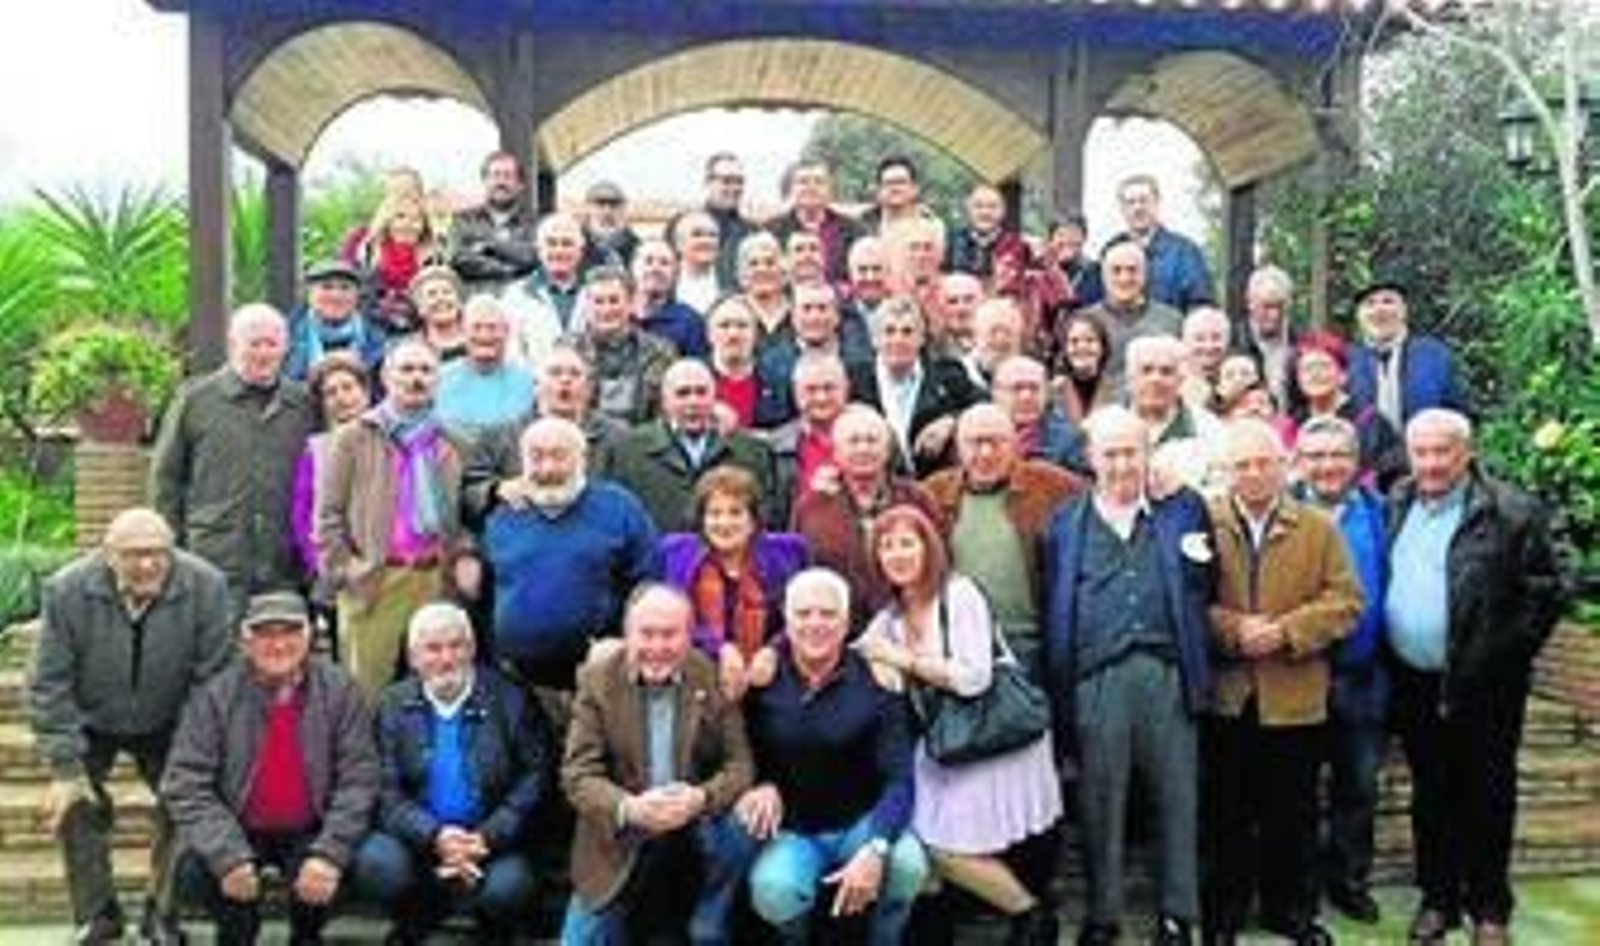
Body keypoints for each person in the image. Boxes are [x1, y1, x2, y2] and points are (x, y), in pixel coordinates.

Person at [1385, 409, 1562, 946]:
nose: (1432, 463)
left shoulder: (1511, 510)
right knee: (1431, 794)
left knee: (1487, 794)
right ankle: (1438, 900)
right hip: (1414, 680)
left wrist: (1501, 655)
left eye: (1443, 451)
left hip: (1485, 684)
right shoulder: (1398, 500)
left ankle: (1489, 908)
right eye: (1422, 452)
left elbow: (1546, 590)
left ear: (1466, 452)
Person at [1042, 407, 1215, 946]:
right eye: (1110, 453)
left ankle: (1178, 914)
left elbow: (1207, 584)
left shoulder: (1183, 509)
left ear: (1148, 455)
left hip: (1167, 673)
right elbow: (1056, 600)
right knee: (1100, 799)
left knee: (1177, 796)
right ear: (1091, 459)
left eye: (1131, 451)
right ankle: (1103, 915)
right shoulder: (1065, 522)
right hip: (1097, 676)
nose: (1122, 463)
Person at [856, 506, 1064, 944]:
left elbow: (974, 679)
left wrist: (904, 660)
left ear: (928, 547)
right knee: (916, 833)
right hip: (948, 740)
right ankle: (935, 932)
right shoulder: (890, 617)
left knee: (942, 847)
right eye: (886, 546)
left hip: (995, 734)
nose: (897, 554)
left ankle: (1031, 916)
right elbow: (858, 647)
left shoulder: (958, 594)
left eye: (907, 543)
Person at [29, 508, 233, 945]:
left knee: (186, 798)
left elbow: (212, 680)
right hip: (92, 719)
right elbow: (49, 683)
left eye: (158, 554)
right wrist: (67, 770)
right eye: (134, 555)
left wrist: (191, 758)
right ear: (108, 555)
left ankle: (162, 913)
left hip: (171, 717)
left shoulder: (207, 586)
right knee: (75, 805)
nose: (147, 565)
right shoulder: (66, 591)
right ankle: (98, 914)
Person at [1203, 418, 1362, 946]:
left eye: (1263, 462)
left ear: (1283, 465)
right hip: (1227, 698)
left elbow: (1346, 602)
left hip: (1294, 699)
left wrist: (1287, 632)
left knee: (1291, 815)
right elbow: (1184, 599)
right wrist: (1231, 629)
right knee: (1226, 813)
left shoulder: (1318, 528)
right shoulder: (1204, 523)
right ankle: (1224, 912)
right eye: (1241, 464)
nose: (1252, 473)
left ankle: (1291, 911)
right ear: (1225, 471)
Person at [162, 592, 379, 946]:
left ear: (309, 637)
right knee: (193, 872)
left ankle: (308, 934)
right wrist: (227, 855)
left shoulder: (340, 690)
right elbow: (185, 782)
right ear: (245, 641)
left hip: (312, 826)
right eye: (265, 634)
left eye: (290, 632)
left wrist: (329, 853)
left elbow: (360, 778)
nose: (278, 644)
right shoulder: (216, 695)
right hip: (239, 826)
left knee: (353, 864)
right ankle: (236, 932)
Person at [739, 569, 929, 943]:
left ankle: (884, 938)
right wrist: (757, 783)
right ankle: (795, 937)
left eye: (828, 614)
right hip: (794, 829)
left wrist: (876, 847)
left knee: (907, 864)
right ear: (786, 622)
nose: (815, 624)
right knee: (773, 889)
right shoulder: (762, 680)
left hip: (861, 822)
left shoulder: (876, 680)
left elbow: (900, 778)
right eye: (803, 613)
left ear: (846, 625)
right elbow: (736, 751)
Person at [561, 583, 756, 942]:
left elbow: (740, 763)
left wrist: (701, 797)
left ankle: (710, 920)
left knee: (737, 835)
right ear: (627, 634)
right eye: (646, 634)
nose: (657, 647)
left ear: (688, 635)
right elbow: (578, 774)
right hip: (622, 837)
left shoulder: (709, 675)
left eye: (670, 635)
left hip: (695, 831)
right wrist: (630, 807)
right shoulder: (598, 680)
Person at [351, 603, 551, 943]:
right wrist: (435, 836)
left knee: (509, 888)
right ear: (413, 657)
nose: (446, 658)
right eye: (433, 648)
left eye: (456, 645)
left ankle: (494, 928)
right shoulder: (391, 705)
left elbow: (536, 778)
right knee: (377, 865)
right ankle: (416, 916)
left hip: (493, 844)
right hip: (418, 843)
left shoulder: (511, 699)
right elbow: (384, 790)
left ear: (472, 649)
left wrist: (486, 837)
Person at [317, 338, 472, 695]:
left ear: (437, 380)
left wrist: (463, 556)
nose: (416, 378)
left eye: (426, 370)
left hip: (434, 578)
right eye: (407, 369)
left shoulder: (451, 440)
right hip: (375, 579)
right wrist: (347, 570)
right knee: (366, 693)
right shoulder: (353, 438)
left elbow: (462, 515)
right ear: (386, 377)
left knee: (436, 689)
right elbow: (328, 516)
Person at [1289, 416, 1390, 925]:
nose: (1328, 466)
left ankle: (1349, 881)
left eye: (1338, 456)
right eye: (1316, 456)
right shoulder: (1282, 510)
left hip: (1363, 677)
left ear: (1356, 462)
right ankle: (1297, 891)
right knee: (1295, 791)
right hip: (1296, 676)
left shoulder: (1380, 512)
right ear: (1299, 462)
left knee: (1358, 786)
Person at [151, 303, 314, 616]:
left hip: (284, 562)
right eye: (254, 343)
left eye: (272, 344)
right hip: (214, 557)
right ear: (233, 344)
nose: (264, 353)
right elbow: (166, 479)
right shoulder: (196, 400)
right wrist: (170, 549)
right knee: (215, 653)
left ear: (286, 348)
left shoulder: (303, 404)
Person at [480, 416, 658, 690]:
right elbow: (486, 588)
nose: (548, 468)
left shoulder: (619, 507)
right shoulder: (504, 515)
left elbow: (648, 583)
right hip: (517, 679)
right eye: (536, 457)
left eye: (559, 456)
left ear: (582, 459)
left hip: (602, 672)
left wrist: (627, 640)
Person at [922, 404, 1084, 678]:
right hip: (960, 649)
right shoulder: (934, 492)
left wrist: (1156, 477)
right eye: (975, 443)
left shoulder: (1051, 484)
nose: (986, 453)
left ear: (1015, 444)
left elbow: (1107, 494)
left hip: (1032, 646)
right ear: (957, 447)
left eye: (997, 442)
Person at [660, 466, 808, 702]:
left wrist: (774, 650)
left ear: (753, 519)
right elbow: (671, 620)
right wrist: (718, 648)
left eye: (735, 513)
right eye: (714, 513)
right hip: (697, 677)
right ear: (701, 519)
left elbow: (805, 615)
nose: (724, 523)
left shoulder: (787, 553)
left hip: (771, 675)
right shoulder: (676, 554)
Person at [792, 405, 943, 632]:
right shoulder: (810, 507)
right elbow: (799, 575)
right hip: (836, 635)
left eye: (872, 440)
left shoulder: (918, 499)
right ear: (836, 452)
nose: (863, 448)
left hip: (910, 630)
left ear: (888, 449)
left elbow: (940, 563)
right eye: (853, 441)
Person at [606, 359, 783, 532]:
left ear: (715, 396)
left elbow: (766, 518)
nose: (693, 402)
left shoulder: (753, 452)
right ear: (664, 401)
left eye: (701, 392)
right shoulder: (628, 452)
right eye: (683, 393)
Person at [848, 295, 981, 477]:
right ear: (875, 339)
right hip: (876, 485)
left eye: (907, 332)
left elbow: (986, 406)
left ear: (921, 339)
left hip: (935, 487)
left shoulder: (947, 374)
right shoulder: (854, 381)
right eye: (889, 331)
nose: (898, 340)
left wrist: (953, 421)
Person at [291, 354, 373, 617]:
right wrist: (320, 563)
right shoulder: (314, 450)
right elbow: (301, 514)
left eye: (348, 387)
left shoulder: (391, 440)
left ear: (365, 392)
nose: (341, 397)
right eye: (331, 392)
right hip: (337, 573)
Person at [1286, 330, 1405, 490]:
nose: (1315, 374)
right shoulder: (1292, 426)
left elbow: (1392, 478)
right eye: (1307, 369)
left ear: (1343, 375)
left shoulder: (1371, 422)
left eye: (1324, 366)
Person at [1346, 279, 1468, 431]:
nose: (1379, 309)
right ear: (1359, 315)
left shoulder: (1434, 355)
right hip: (1361, 452)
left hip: (1426, 450)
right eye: (1370, 303)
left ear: (1404, 310)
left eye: (1388, 301)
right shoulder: (1346, 359)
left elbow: (1458, 410)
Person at [565, 265, 677, 426]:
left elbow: (668, 410)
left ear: (631, 303)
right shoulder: (568, 351)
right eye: (598, 301)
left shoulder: (661, 351)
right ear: (587, 306)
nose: (606, 309)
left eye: (614, 300)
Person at [1077, 240, 1184, 393]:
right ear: (1103, 275)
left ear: (1145, 274)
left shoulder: (1172, 321)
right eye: (1116, 270)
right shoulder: (1083, 322)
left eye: (1132, 270)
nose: (1124, 278)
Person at [1107, 173, 1214, 310]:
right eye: (1130, 202)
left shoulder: (1185, 252)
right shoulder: (1110, 250)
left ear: (1157, 203)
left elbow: (1200, 305)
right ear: (1122, 208)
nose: (1137, 208)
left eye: (1143, 201)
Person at [435, 294, 536, 436]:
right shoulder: (438, 379)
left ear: (507, 332)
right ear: (462, 332)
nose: (484, 335)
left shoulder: (530, 380)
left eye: (492, 327)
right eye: (476, 327)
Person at [350, 191, 445, 336]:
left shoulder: (434, 259)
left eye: (417, 219)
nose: (408, 224)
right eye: (400, 217)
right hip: (374, 331)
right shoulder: (369, 254)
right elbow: (360, 299)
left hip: (421, 333)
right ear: (388, 221)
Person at [501, 212, 588, 368]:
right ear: (539, 249)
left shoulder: (596, 293)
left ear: (580, 250)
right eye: (551, 243)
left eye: (567, 243)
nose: (559, 250)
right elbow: (511, 353)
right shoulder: (516, 295)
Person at [762, 352, 851, 504]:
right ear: (795, 392)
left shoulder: (874, 438)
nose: (821, 397)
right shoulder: (774, 446)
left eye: (829, 388)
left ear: (847, 388)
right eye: (811, 389)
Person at [448, 150, 539, 296]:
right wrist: (508, 269)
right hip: (475, 307)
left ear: (520, 185)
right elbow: (458, 259)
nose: (501, 182)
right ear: (484, 181)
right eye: (495, 175)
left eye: (508, 176)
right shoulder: (463, 220)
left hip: (521, 307)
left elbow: (531, 257)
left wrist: (489, 246)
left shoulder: (535, 223)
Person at [282, 258, 386, 382]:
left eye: (345, 288)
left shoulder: (378, 341)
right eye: (326, 287)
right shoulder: (285, 338)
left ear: (357, 295)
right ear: (309, 294)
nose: (336, 296)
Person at [767, 158, 864, 284]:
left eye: (819, 182)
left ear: (830, 189)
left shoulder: (853, 230)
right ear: (791, 189)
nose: (811, 188)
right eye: (803, 182)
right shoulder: (772, 232)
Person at [991, 355, 1089, 475]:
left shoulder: (1070, 441)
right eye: (1017, 388)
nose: (1026, 397)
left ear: (1046, 393)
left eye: (1035, 388)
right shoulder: (974, 433)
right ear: (996, 393)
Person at [632, 237, 711, 359]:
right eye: (648, 261)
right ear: (633, 268)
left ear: (676, 274)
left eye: (664, 263)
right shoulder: (615, 312)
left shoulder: (690, 322)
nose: (655, 269)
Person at [1234, 265, 1299, 407]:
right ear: (1250, 304)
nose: (1275, 315)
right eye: (1267, 306)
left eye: (1280, 306)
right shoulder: (1233, 343)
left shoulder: (1300, 345)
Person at [946, 183, 1027, 281]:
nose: (985, 212)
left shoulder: (1017, 245)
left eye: (992, 207)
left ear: (1003, 211)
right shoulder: (952, 242)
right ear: (968, 209)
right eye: (978, 206)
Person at [1053, 309, 1116, 423]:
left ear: (1103, 348)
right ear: (1064, 349)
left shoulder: (1117, 390)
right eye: (1074, 341)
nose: (1082, 347)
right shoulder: (1053, 392)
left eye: (1090, 340)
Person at [669, 210, 727, 315]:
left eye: (712, 235)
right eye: (697, 234)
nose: (706, 241)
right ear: (679, 244)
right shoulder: (667, 280)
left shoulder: (731, 280)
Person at [1045, 213, 1103, 310]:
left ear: (1084, 238)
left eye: (1074, 234)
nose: (1067, 239)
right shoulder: (1041, 273)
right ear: (1050, 240)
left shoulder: (1096, 272)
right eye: (1061, 234)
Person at [411, 264, 469, 361]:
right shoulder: (409, 349)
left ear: (459, 302)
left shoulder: (480, 341)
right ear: (420, 308)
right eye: (432, 294)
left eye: (447, 292)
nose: (441, 298)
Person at [581, 180, 641, 271]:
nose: (607, 212)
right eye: (600, 204)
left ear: (624, 209)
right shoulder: (574, 246)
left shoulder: (638, 249)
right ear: (588, 208)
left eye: (614, 205)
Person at [1179, 305, 1230, 411]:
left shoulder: (1238, 379)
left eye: (1216, 338)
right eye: (1199, 339)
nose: (1208, 346)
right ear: (1184, 342)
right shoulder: (1173, 383)